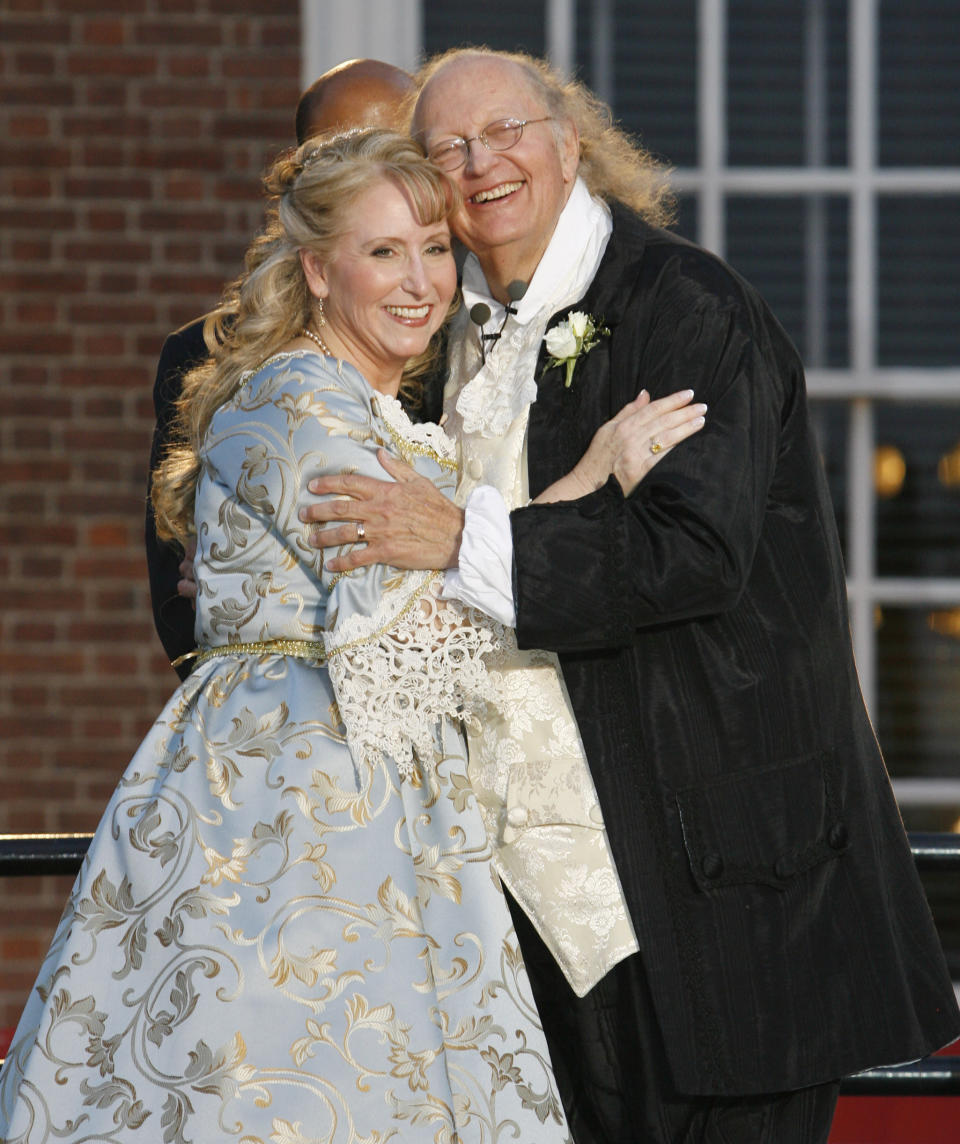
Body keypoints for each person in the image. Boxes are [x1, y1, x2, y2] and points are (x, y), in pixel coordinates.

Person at [299, 48, 960, 1144]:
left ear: (570, 142)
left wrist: (466, 538)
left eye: (504, 131)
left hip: (724, 895)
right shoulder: (448, 344)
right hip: (525, 913)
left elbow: (692, 550)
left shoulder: (686, 307)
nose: (480, 163)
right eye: (446, 149)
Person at [0, 128, 700, 1142]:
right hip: (291, 811)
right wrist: (591, 476)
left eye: (432, 247)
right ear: (319, 271)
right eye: (384, 253)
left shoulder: (362, 405)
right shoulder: (293, 405)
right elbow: (412, 635)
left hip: (375, 799)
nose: (420, 281)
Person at [147, 59, 418, 679]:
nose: (372, 178)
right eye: (340, 158)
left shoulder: (466, 329)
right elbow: (176, 583)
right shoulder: (206, 355)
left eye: (397, 152)